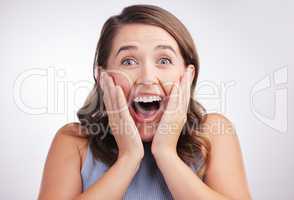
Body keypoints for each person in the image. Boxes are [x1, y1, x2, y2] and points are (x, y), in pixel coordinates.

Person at [38, 4, 252, 200]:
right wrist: (129, 158)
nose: (147, 77)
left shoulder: (213, 133)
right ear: (103, 77)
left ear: (188, 75)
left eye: (164, 60)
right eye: (128, 61)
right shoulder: (73, 141)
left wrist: (166, 153)